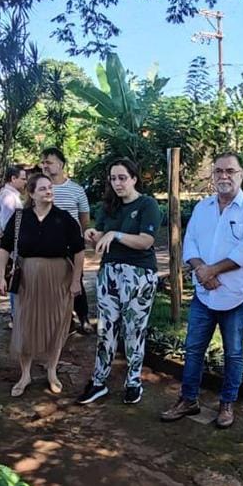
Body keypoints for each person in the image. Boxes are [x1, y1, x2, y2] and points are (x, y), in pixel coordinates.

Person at [161, 153, 243, 428]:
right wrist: (201, 270)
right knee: (193, 348)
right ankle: (188, 399)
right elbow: (191, 242)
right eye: (218, 171)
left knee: (233, 352)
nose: (224, 176)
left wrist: (213, 270)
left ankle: (227, 404)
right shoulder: (202, 208)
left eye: (230, 171)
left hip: (235, 295)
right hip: (204, 293)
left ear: (241, 174)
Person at [76, 158, 161, 406]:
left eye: (122, 177)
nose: (117, 183)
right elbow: (102, 237)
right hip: (109, 273)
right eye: (113, 178)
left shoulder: (148, 205)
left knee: (134, 330)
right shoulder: (109, 206)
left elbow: (146, 241)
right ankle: (99, 381)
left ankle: (133, 381)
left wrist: (116, 234)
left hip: (139, 274)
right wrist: (93, 234)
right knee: (106, 329)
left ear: (134, 178)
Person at [0, 173, 84, 397]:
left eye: (50, 188)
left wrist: (76, 281)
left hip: (59, 277)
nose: (48, 191)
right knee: (25, 324)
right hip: (27, 278)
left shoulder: (64, 218)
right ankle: (25, 374)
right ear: (31, 193)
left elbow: (79, 251)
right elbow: (4, 248)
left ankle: (52, 370)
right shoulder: (19, 218)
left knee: (56, 323)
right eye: (43, 188)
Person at [42, 147, 93, 333]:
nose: (46, 166)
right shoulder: (41, 188)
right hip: (47, 246)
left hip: (72, 246)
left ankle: (84, 318)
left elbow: (84, 217)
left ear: (61, 164)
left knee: (76, 280)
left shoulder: (76, 190)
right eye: (44, 162)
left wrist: (83, 235)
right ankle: (64, 319)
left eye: (50, 162)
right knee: (54, 284)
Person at [0, 165, 27, 326]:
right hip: (13, 249)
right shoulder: (10, 198)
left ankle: (16, 317)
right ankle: (16, 318)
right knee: (15, 282)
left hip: (11, 248)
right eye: (23, 179)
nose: (25, 182)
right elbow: (9, 227)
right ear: (13, 179)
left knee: (14, 282)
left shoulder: (5, 195)